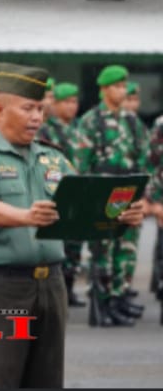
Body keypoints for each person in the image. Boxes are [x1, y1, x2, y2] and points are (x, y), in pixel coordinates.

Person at [0, 62, 144, 389]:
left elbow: (81, 209)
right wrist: (26, 216)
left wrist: (120, 215)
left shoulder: (53, 158)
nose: (37, 118)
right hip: (0, 290)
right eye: (28, 108)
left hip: (51, 287)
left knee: (47, 382)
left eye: (41, 109)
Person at [76, 65, 149, 326]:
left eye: (123, 86)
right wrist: (86, 199)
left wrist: (143, 195)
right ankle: (101, 304)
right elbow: (82, 163)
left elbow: (143, 158)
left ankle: (118, 300)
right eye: (117, 86)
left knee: (125, 250)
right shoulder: (91, 121)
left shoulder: (132, 121)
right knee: (102, 252)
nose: (122, 91)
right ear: (104, 89)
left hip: (127, 194)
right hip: (100, 194)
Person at [37, 82, 86, 307]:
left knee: (75, 243)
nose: (71, 106)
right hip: (55, 193)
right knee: (55, 243)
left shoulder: (79, 128)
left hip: (78, 192)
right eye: (66, 102)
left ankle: (69, 286)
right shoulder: (46, 130)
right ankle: (52, 290)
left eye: (74, 102)